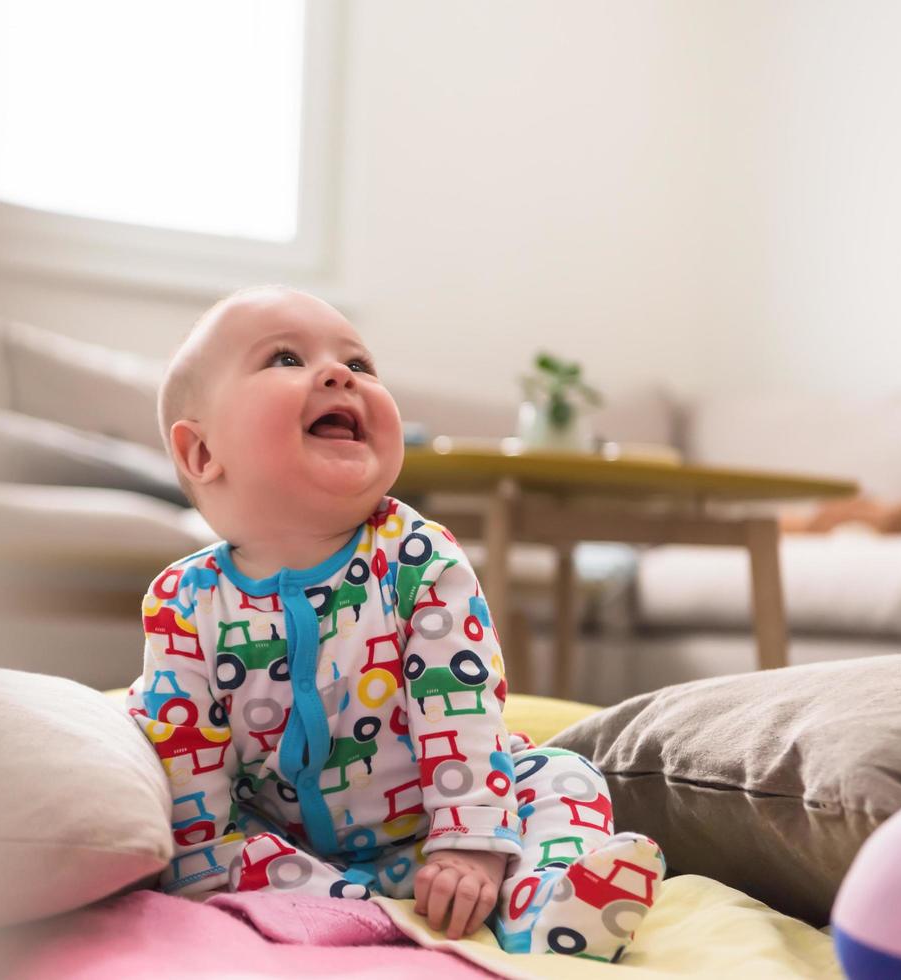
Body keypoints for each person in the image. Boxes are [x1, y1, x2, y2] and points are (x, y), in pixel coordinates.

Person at [125, 286, 663, 960]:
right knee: (211, 854)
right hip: (292, 851)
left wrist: (468, 842)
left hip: (438, 827)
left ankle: (541, 904)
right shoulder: (183, 602)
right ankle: (354, 915)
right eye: (286, 358)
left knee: (562, 774)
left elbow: (459, 707)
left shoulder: (415, 557)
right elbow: (190, 772)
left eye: (360, 364)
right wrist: (200, 860)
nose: (338, 373)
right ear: (201, 454)